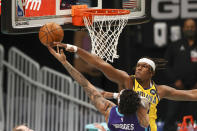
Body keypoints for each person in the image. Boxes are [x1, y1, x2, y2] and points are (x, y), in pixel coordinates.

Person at [52, 42, 197, 131]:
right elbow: (101, 64)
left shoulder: (160, 90)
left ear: (151, 73)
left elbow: (191, 95)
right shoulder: (127, 80)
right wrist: (75, 49)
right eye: (138, 65)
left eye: (144, 66)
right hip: (127, 124)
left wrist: (113, 95)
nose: (139, 68)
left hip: (146, 128)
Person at [47, 46, 150, 131]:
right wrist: (115, 95)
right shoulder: (142, 117)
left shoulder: (110, 113)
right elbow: (145, 102)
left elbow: (85, 84)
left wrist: (65, 62)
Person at [163, 18, 197, 131]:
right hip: (177, 87)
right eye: (187, 27)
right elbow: (166, 65)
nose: (190, 29)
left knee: (194, 116)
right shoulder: (175, 45)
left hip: (195, 88)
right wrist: (175, 80)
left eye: (192, 26)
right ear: (183, 29)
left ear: (195, 28)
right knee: (171, 115)